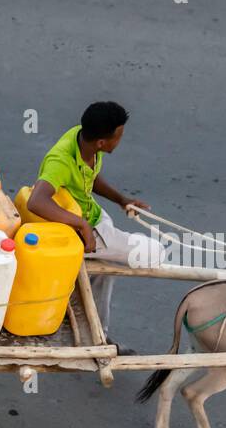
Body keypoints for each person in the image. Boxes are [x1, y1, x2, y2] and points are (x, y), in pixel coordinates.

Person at [26, 101, 165, 330]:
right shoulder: (60, 161)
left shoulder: (82, 139)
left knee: (105, 271)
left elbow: (91, 178)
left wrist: (122, 200)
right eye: (118, 136)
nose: (120, 140)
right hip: (87, 233)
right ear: (102, 142)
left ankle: (98, 330)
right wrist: (82, 225)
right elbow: (36, 201)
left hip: (96, 217)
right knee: (155, 253)